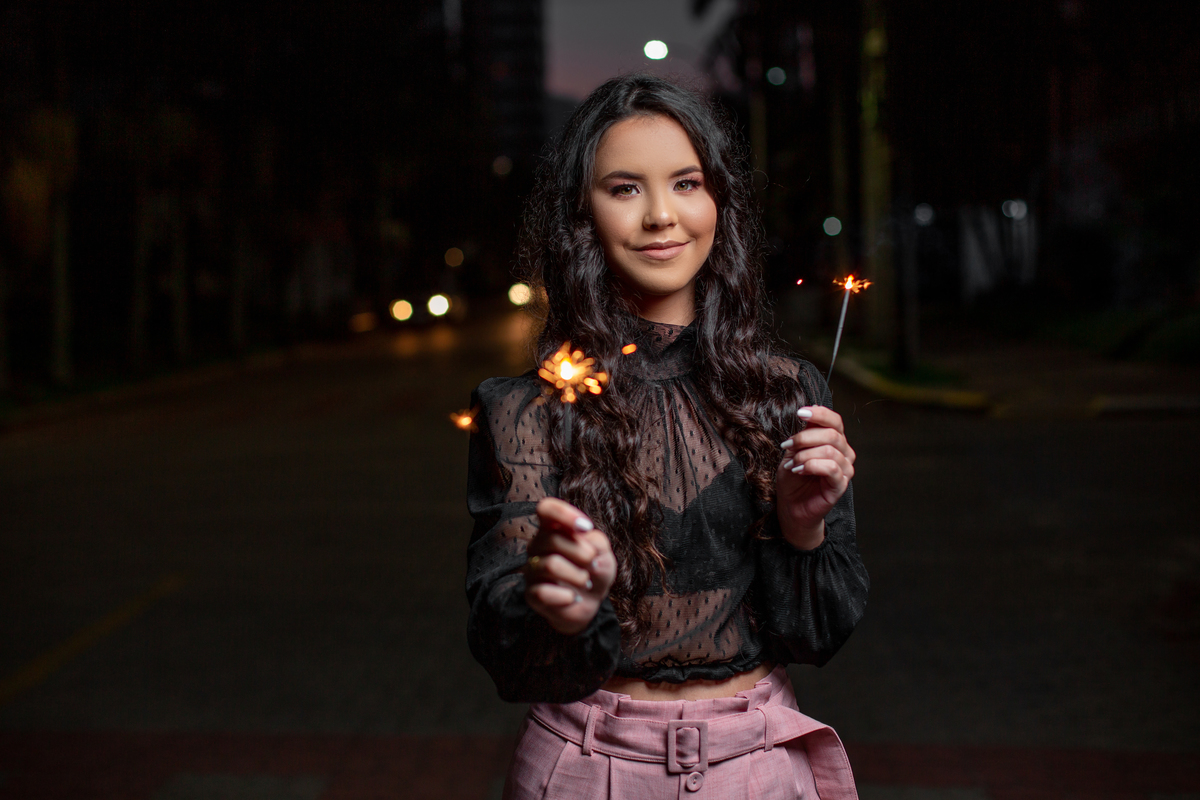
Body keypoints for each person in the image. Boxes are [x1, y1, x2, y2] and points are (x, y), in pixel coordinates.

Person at [466, 74, 868, 799]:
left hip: (758, 766)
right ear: (581, 214)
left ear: (719, 202)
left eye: (686, 183)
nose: (661, 215)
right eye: (624, 188)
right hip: (587, 766)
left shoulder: (788, 393)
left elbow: (819, 636)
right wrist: (560, 608)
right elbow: (506, 652)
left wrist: (802, 528)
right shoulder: (526, 410)